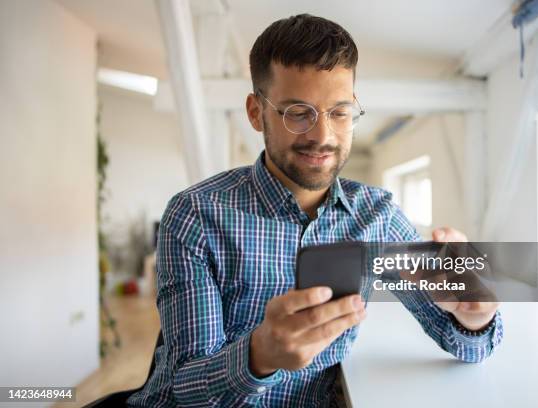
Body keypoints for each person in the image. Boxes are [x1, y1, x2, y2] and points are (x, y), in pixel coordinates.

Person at [128, 13, 502, 408]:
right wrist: (259, 356)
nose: (322, 136)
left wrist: (474, 314)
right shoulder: (195, 215)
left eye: (339, 112)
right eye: (297, 113)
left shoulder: (378, 217)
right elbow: (185, 390)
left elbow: (469, 348)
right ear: (256, 113)